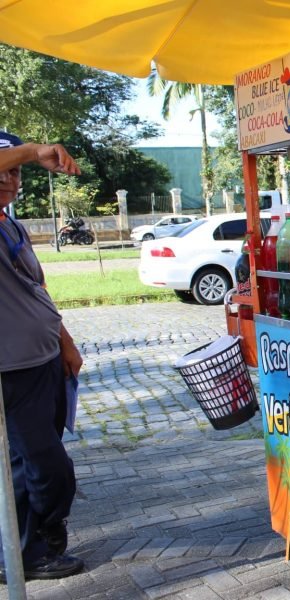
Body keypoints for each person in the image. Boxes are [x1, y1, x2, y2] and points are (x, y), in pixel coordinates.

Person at [0, 131, 85, 582]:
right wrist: (34, 152)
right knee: (42, 465)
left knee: (33, 465)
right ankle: (33, 545)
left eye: (14, 171)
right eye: (4, 167)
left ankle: (33, 545)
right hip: (10, 369)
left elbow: (38, 290)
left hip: (43, 361)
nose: (9, 178)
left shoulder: (11, 225)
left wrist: (64, 342)